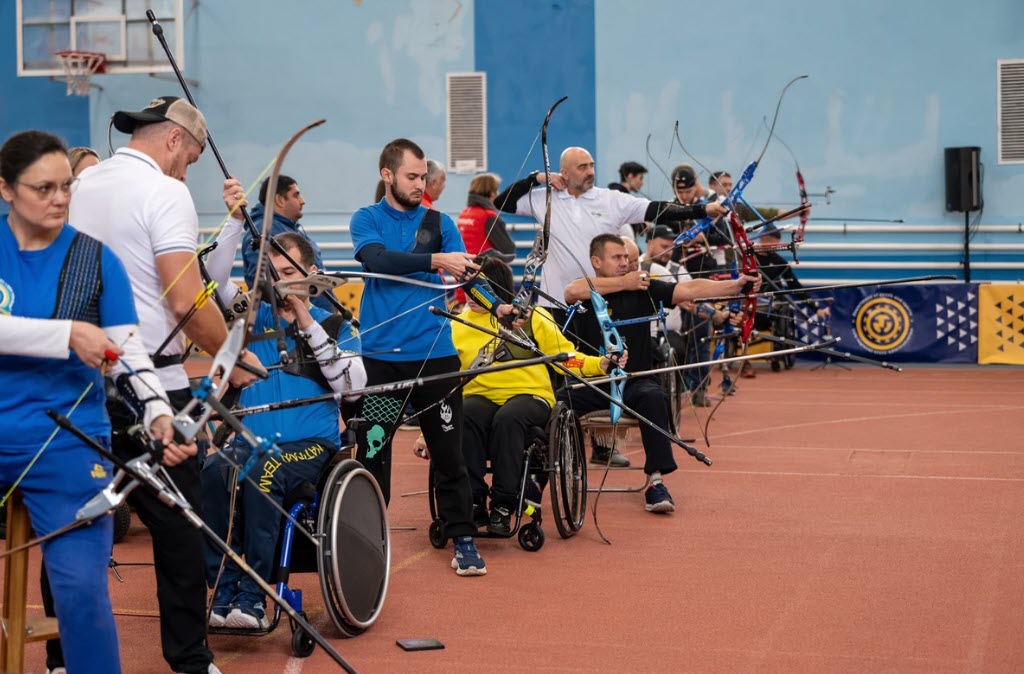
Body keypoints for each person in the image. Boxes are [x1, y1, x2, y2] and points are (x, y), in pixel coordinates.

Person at [70, 95, 262, 674]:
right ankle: (189, 660)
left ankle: (63, 656)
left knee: (82, 521)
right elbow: (183, 296)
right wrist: (232, 351)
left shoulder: (82, 185)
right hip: (154, 382)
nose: (189, 171)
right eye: (192, 158)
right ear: (174, 140)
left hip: (80, 380)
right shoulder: (166, 191)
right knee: (179, 523)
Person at [0, 130, 195, 674]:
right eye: (43, 188)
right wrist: (65, 335)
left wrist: (158, 410)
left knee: (82, 594)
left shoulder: (94, 257)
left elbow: (126, 344)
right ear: (5, 189)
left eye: (66, 186)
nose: (60, 199)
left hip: (67, 443)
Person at [350, 137, 516, 576]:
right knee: (372, 450)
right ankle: (367, 537)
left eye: (423, 176)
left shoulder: (439, 221)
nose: (419, 184)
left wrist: (497, 305)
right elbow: (377, 260)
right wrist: (434, 259)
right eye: (411, 176)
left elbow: (467, 274)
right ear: (387, 175)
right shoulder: (366, 219)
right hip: (384, 359)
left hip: (436, 357)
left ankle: (462, 537)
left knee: (449, 452)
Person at [200, 223, 365, 628]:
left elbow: (352, 388)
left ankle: (255, 595)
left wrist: (305, 319)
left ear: (311, 273)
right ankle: (223, 588)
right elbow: (210, 276)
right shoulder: (248, 318)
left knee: (261, 471)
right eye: (271, 272)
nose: (279, 281)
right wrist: (236, 222)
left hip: (310, 445)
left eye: (288, 272)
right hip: (249, 440)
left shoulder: (335, 325)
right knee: (211, 472)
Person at [559, 234, 757, 513]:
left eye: (627, 258)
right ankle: (534, 482)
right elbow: (571, 290)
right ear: (596, 261)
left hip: (636, 380)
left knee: (654, 397)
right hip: (594, 382)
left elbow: (688, 290)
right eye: (618, 258)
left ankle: (655, 481)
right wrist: (623, 283)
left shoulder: (644, 288)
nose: (625, 263)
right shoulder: (586, 290)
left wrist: (735, 285)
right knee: (555, 401)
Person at [451, 256, 615, 534]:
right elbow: (449, 385)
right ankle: (474, 501)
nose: (472, 294)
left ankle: (503, 504)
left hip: (530, 396)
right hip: (480, 396)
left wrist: (599, 364)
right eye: (468, 286)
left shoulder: (532, 317)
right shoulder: (456, 323)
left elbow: (565, 357)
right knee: (464, 415)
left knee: (508, 418)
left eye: (481, 287)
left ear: (498, 289)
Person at [495, 147, 726, 327]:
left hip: (598, 300)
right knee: (557, 374)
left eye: (591, 166)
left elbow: (656, 209)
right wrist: (536, 178)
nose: (590, 172)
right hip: (552, 303)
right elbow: (501, 202)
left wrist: (702, 210)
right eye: (582, 167)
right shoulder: (545, 198)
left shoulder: (611, 200)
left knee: (596, 367)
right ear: (564, 173)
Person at [643, 226, 731, 406]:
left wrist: (718, 315)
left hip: (670, 334)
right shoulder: (634, 266)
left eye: (671, 247)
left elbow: (693, 299)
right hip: (641, 333)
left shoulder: (677, 270)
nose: (668, 252)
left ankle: (672, 399)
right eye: (663, 246)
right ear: (649, 243)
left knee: (678, 351)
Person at [741, 223, 829, 378]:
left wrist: (816, 309)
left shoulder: (779, 262)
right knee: (742, 315)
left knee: (782, 309)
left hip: (772, 306)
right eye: (771, 243)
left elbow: (795, 286)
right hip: (751, 303)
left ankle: (777, 356)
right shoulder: (749, 258)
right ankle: (744, 361)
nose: (775, 247)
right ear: (763, 238)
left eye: (777, 244)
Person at [240, 175, 334, 313]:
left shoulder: (289, 229)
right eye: (296, 195)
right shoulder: (263, 230)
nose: (302, 201)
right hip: (292, 320)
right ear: (279, 200)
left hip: (312, 317)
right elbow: (263, 281)